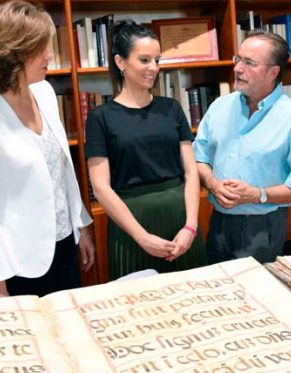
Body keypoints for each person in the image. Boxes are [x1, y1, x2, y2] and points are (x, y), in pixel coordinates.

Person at [0, 0, 95, 298]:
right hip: (18, 261)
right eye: (41, 48)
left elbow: (63, 171)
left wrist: (81, 226)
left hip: (65, 246)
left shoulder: (44, 93)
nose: (49, 55)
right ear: (13, 52)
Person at [85, 20, 206, 279]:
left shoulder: (172, 108)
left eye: (157, 60)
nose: (153, 68)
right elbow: (101, 187)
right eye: (144, 60)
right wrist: (142, 237)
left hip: (181, 221)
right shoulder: (100, 117)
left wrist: (191, 227)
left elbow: (191, 172)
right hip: (131, 227)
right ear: (120, 62)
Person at [193, 31, 291, 263]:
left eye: (249, 63)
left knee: (255, 294)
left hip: (262, 225)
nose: (238, 68)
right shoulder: (220, 106)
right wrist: (212, 184)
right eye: (238, 59)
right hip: (218, 220)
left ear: (273, 72)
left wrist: (257, 194)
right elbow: (199, 158)